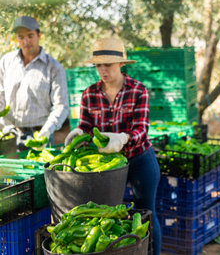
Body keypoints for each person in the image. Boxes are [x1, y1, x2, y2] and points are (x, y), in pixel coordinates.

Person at [63, 37, 161, 254]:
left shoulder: (138, 90)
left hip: (139, 159)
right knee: (104, 216)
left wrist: (123, 138)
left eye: (108, 64)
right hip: (108, 167)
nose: (103, 70)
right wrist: (80, 133)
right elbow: (86, 127)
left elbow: (141, 130)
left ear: (121, 64)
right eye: (99, 65)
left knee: (146, 212)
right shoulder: (89, 94)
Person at [0, 15, 69, 150]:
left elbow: (61, 106)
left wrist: (46, 131)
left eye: (30, 36)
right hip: (10, 136)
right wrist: (5, 126)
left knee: (40, 171)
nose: (26, 41)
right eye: (21, 37)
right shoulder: (5, 62)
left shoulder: (54, 67)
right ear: (17, 38)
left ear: (39, 35)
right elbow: (0, 95)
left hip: (41, 134)